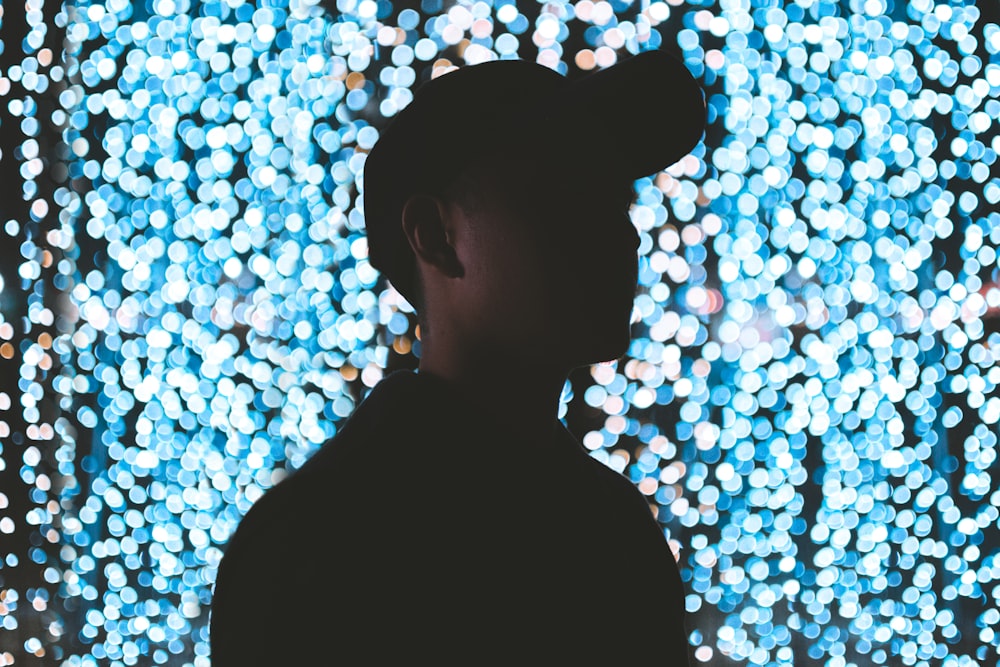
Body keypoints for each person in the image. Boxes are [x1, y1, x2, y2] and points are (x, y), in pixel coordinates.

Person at [210, 49, 705, 664]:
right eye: (565, 192)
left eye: (616, 200)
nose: (621, 235)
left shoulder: (609, 525)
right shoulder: (319, 545)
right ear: (435, 235)